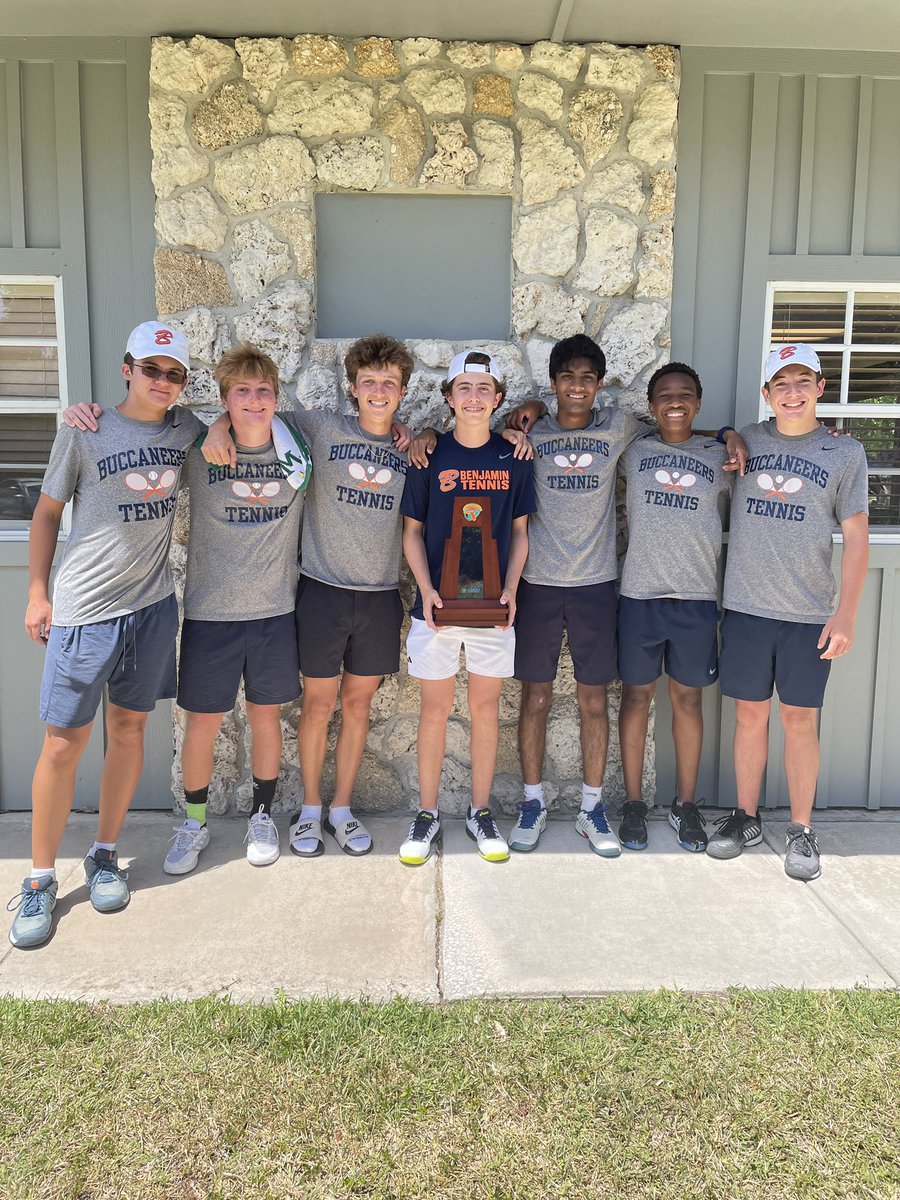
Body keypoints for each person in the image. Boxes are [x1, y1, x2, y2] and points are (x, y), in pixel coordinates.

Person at [503, 335, 746, 855]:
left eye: (587, 378)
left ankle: (595, 808)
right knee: (536, 697)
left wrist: (727, 433)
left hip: (598, 585)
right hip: (539, 585)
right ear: (552, 384)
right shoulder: (531, 434)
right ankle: (532, 802)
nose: (576, 386)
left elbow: (678, 427)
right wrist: (510, 414)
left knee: (596, 700)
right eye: (567, 377)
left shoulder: (620, 430)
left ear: (600, 385)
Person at [7, 322, 203, 949]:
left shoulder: (186, 429)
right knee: (63, 743)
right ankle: (39, 878)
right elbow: (46, 512)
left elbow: (243, 424)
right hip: (85, 609)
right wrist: (38, 592)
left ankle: (103, 853)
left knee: (128, 730)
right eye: (152, 369)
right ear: (127, 368)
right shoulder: (83, 428)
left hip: (151, 607)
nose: (162, 382)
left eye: (174, 373)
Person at [202, 334, 413, 859]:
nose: (379, 391)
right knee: (318, 705)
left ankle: (342, 809)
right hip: (321, 592)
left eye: (390, 383)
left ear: (403, 392)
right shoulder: (318, 429)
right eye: (369, 382)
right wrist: (217, 422)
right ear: (352, 388)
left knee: (357, 705)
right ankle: (312, 810)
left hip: (381, 595)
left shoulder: (413, 450)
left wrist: (425, 432)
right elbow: (255, 412)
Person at [709, 343, 869, 880]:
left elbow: (857, 536)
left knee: (799, 719)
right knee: (750, 715)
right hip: (748, 607)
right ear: (767, 393)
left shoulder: (843, 453)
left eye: (803, 381)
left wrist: (845, 614)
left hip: (808, 612)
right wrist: (730, 432)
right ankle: (745, 816)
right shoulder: (748, 442)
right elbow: (698, 440)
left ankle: (801, 829)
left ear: (821, 389)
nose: (793, 392)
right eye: (782, 383)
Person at [162, 344, 310, 874]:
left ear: (277, 397)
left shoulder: (299, 449)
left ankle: (261, 815)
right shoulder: (200, 448)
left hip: (273, 612)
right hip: (210, 614)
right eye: (241, 392)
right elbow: (154, 422)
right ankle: (195, 822)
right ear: (225, 399)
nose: (254, 400)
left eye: (263, 391)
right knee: (201, 724)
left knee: (265, 718)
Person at [398, 349, 534, 865]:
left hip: (492, 609)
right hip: (434, 609)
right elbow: (411, 534)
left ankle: (480, 812)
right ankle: (427, 813)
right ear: (449, 397)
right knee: (433, 710)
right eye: (464, 388)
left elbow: (520, 532)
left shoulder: (513, 456)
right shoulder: (428, 455)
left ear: (497, 399)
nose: (474, 397)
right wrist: (426, 588)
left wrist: (512, 590)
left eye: (484, 389)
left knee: (484, 710)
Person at [617, 363, 734, 852]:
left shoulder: (721, 455)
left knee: (687, 700)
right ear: (650, 405)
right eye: (665, 395)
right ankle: (633, 803)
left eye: (685, 394)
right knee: (636, 698)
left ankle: (686, 805)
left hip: (696, 599)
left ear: (699, 402)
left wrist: (727, 434)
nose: (675, 402)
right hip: (640, 596)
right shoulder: (632, 450)